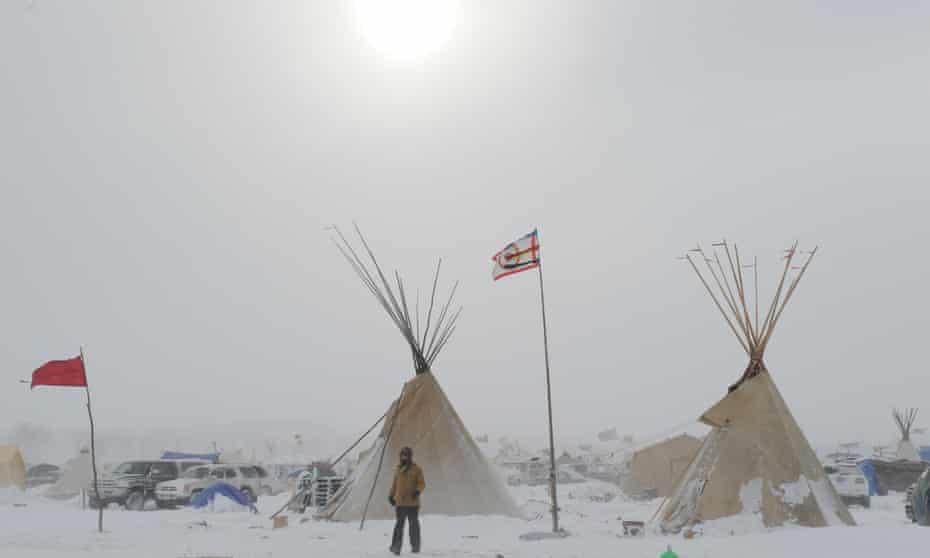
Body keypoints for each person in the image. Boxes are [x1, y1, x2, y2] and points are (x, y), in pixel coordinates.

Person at [388, 446, 425, 555]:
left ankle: (415, 546)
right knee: (399, 525)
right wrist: (391, 496)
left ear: (410, 456)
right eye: (402, 455)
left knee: (413, 525)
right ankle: (396, 547)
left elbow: (422, 483)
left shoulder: (417, 469)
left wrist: (417, 491)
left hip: (413, 503)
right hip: (400, 502)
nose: (404, 457)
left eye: (406, 455)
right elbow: (395, 484)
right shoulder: (398, 469)